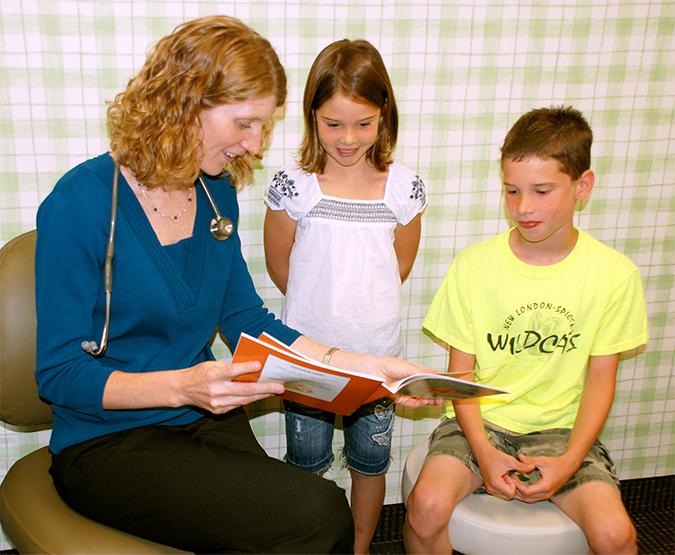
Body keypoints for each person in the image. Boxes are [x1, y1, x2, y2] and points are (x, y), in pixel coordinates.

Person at [34, 16, 437, 554]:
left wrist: (367, 367)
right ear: (184, 104)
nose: (254, 145)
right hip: (106, 439)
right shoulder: (80, 204)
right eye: (245, 123)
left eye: (264, 126)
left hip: (200, 419)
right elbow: (59, 375)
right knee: (317, 513)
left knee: (295, 519)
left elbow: (250, 322)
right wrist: (182, 386)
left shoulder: (216, 199)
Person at [403, 106, 649, 555]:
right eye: (511, 191)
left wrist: (570, 461)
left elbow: (600, 381)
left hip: (562, 430)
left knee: (616, 536)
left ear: (582, 186)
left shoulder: (615, 274)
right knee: (425, 506)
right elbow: (463, 378)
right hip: (481, 422)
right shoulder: (473, 267)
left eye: (541, 190)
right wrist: (482, 451)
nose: (523, 207)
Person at [263, 39, 427, 554]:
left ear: (385, 118)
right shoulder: (295, 185)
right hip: (307, 357)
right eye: (333, 124)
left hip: (377, 361)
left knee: (368, 464)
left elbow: (399, 265)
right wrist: (320, 315)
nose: (349, 138)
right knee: (307, 466)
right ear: (312, 117)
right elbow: (279, 263)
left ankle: (357, 548)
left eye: (364, 123)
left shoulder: (403, 188)